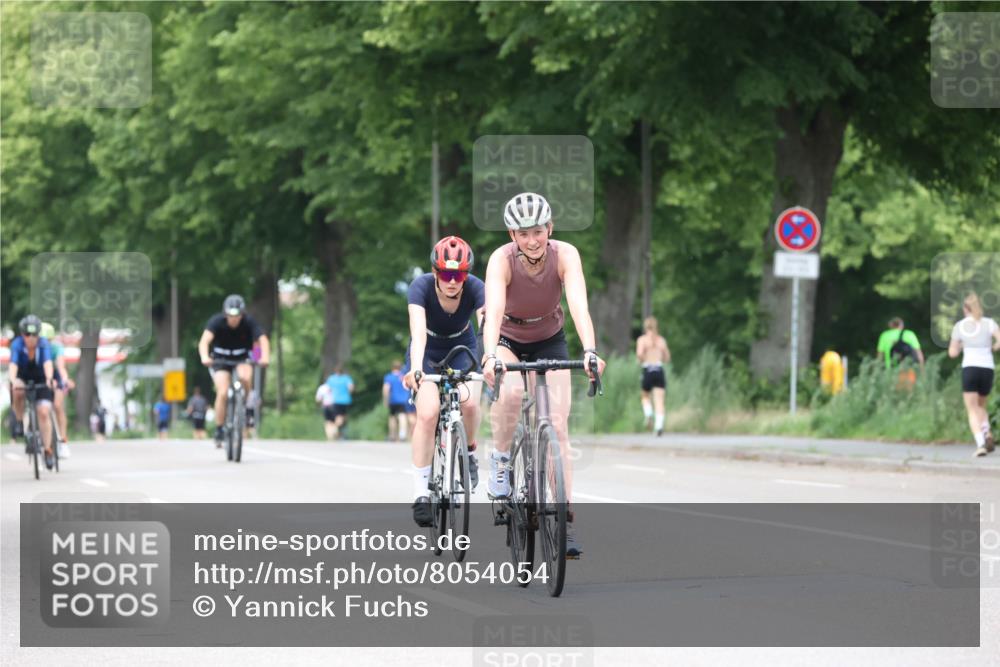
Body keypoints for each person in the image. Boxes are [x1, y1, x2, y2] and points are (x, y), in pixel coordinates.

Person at [481, 193, 606, 559]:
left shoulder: (565, 254)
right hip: (507, 336)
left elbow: (578, 305)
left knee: (558, 424)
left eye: (538, 231)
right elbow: (495, 308)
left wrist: (590, 350)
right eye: (523, 233)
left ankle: (565, 519)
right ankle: (502, 462)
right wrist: (490, 356)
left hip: (550, 337)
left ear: (549, 229)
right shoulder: (500, 260)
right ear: (512, 234)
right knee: (511, 393)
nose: (532, 240)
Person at [404, 236, 485, 527]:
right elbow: (417, 332)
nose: (453, 281)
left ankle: (470, 451)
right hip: (427, 350)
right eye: (447, 274)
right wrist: (415, 369)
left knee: (471, 402)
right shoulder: (420, 287)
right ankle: (420, 493)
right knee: (428, 413)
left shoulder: (476, 288)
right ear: (436, 272)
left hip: (461, 347)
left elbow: (487, 326)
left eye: (459, 275)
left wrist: (488, 361)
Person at [198, 294, 270, 447]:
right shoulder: (216, 321)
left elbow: (261, 340)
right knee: (222, 392)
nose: (234, 319)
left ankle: (248, 407)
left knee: (245, 377)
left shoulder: (249, 322)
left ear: (242, 314)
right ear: (225, 314)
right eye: (231, 315)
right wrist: (205, 356)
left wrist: (263, 358)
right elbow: (204, 341)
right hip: (220, 359)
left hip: (242, 357)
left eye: (237, 315)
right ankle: (219, 429)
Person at [948, 292, 1000, 457]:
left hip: (970, 368)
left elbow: (952, 353)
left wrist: (962, 346)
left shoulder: (960, 326)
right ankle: (988, 433)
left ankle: (980, 443)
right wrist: (993, 348)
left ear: (965, 309)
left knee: (971, 408)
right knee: (981, 406)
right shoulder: (989, 323)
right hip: (987, 368)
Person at [8, 315, 58, 469]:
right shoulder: (17, 345)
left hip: (41, 378)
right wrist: (12, 380)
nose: (31, 338)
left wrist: (49, 378)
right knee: (16, 390)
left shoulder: (43, 345)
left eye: (34, 334)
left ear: (38, 334)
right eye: (27, 335)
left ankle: (48, 450)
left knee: (43, 412)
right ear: (22, 334)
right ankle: (19, 421)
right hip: (23, 377)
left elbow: (48, 363)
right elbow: (13, 365)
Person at [40, 322, 74, 457]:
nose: (45, 343)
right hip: (40, 375)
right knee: (41, 406)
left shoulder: (56, 348)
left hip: (55, 375)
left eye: (47, 340)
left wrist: (65, 379)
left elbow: (61, 367)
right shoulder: (35, 348)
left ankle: (63, 441)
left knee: (58, 405)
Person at [635, 316, 671, 435]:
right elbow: (667, 357)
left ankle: (648, 413)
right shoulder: (661, 340)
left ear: (645, 327)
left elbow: (639, 354)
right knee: (659, 400)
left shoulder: (642, 340)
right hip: (659, 369)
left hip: (648, 369)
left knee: (645, 396)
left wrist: (644, 360)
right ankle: (659, 426)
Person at [876, 317, 924, 390]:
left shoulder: (884, 335)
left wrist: (877, 369)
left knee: (893, 394)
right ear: (901, 325)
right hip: (909, 368)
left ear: (890, 325)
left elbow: (879, 356)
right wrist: (922, 368)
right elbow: (919, 354)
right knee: (908, 393)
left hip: (891, 369)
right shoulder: (910, 334)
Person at [322, 364, 354, 440]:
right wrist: (347, 393)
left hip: (335, 400)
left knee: (339, 418)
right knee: (343, 417)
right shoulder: (346, 378)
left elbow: (327, 389)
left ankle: (335, 431)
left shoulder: (331, 379)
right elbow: (351, 388)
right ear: (342, 371)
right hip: (346, 400)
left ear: (335, 371)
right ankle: (340, 434)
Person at [383, 360, 410, 442]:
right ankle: (402, 435)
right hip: (404, 400)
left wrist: (385, 400)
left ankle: (392, 435)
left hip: (393, 400)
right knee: (403, 416)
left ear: (392, 367)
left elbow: (386, 389)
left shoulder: (389, 377)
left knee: (392, 417)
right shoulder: (403, 376)